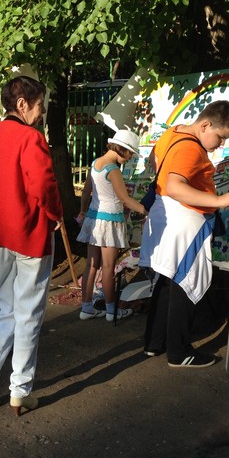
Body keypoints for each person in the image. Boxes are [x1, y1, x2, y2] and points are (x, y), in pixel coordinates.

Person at [0, 76, 63, 416]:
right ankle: (20, 390)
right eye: (40, 104)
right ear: (22, 104)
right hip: (30, 233)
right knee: (28, 314)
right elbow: (44, 185)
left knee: (6, 310)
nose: (42, 111)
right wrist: (56, 214)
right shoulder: (31, 137)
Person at [140, 101, 229, 368]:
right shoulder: (191, 148)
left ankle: (154, 342)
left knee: (166, 279)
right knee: (185, 282)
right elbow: (175, 186)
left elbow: (155, 162)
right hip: (185, 221)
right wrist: (218, 200)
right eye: (220, 137)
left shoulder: (173, 133)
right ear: (205, 125)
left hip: (165, 215)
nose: (221, 144)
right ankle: (179, 352)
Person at [76, 129, 147, 322]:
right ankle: (110, 310)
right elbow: (125, 199)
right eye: (130, 153)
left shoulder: (95, 164)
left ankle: (86, 308)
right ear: (122, 149)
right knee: (108, 267)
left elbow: (86, 192)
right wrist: (145, 210)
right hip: (110, 220)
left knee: (91, 265)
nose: (130, 157)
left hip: (93, 218)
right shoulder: (113, 169)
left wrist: (82, 211)